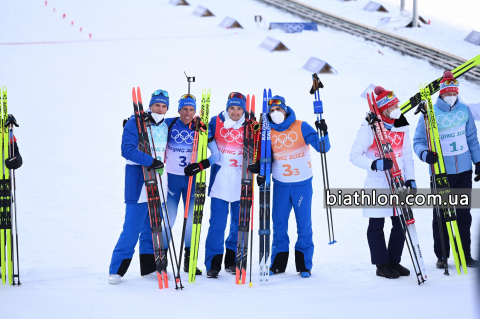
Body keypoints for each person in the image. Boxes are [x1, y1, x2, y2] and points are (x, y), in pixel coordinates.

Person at [413, 71, 479, 269]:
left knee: (464, 215)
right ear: (441, 94)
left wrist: (478, 162)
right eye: (448, 93)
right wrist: (426, 154)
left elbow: (472, 140)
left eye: (454, 93)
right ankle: (442, 255)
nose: (451, 96)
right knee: (441, 214)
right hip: (441, 172)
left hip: (464, 171)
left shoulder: (465, 110)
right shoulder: (430, 114)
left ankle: (464, 255)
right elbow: (418, 141)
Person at [350, 86, 414, 279]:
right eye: (392, 106)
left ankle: (394, 260)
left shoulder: (402, 125)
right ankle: (381, 264)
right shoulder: (369, 128)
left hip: (399, 181)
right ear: (383, 109)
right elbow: (354, 156)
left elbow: (408, 156)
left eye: (397, 104)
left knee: (401, 223)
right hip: (378, 183)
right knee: (376, 225)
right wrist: (375, 164)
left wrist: (410, 178)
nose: (397, 108)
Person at [265, 95, 330, 278]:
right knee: (279, 224)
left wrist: (323, 132)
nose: (275, 113)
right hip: (281, 185)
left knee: (303, 224)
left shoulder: (301, 126)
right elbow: (266, 157)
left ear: (285, 109)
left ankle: (304, 265)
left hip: (302, 183)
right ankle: (278, 264)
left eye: (278, 109)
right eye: (272, 111)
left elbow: (323, 148)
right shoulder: (268, 131)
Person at [108, 89, 168, 285]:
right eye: (157, 105)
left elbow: (186, 121)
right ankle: (116, 270)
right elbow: (127, 150)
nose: (160, 109)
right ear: (150, 105)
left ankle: (149, 267)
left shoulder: (167, 124)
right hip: (138, 179)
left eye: (163, 106)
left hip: (159, 180)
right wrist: (150, 160)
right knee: (132, 227)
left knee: (153, 226)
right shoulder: (136, 122)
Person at [163, 93, 220, 275]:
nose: (188, 113)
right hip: (172, 180)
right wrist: (131, 121)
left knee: (191, 223)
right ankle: (162, 258)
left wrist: (199, 166)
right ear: (178, 110)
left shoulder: (201, 128)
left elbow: (216, 155)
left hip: (193, 181)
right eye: (184, 109)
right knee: (169, 220)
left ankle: (190, 261)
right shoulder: (169, 123)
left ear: (196, 111)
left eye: (191, 109)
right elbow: (149, 126)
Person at [204, 92, 247, 278]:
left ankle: (233, 260)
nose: (235, 112)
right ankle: (213, 263)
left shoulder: (251, 126)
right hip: (220, 179)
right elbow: (200, 132)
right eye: (232, 108)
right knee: (217, 224)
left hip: (242, 179)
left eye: (239, 108)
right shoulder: (215, 121)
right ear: (227, 108)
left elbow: (263, 146)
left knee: (238, 224)